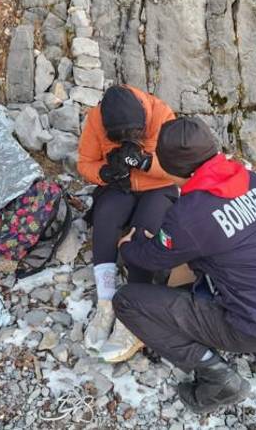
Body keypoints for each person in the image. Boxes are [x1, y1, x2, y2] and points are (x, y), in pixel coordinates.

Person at [114, 117, 256, 414]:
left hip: (245, 327)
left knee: (127, 301)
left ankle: (218, 378)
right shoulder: (251, 179)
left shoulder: (191, 214)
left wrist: (129, 247)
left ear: (174, 168)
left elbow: (150, 257)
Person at [76, 84, 179, 362]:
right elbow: (85, 162)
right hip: (120, 184)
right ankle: (106, 302)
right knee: (106, 218)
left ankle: (131, 316)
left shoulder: (161, 115)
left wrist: (146, 163)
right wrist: (105, 173)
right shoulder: (96, 118)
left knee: (145, 231)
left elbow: (176, 167)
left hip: (158, 186)